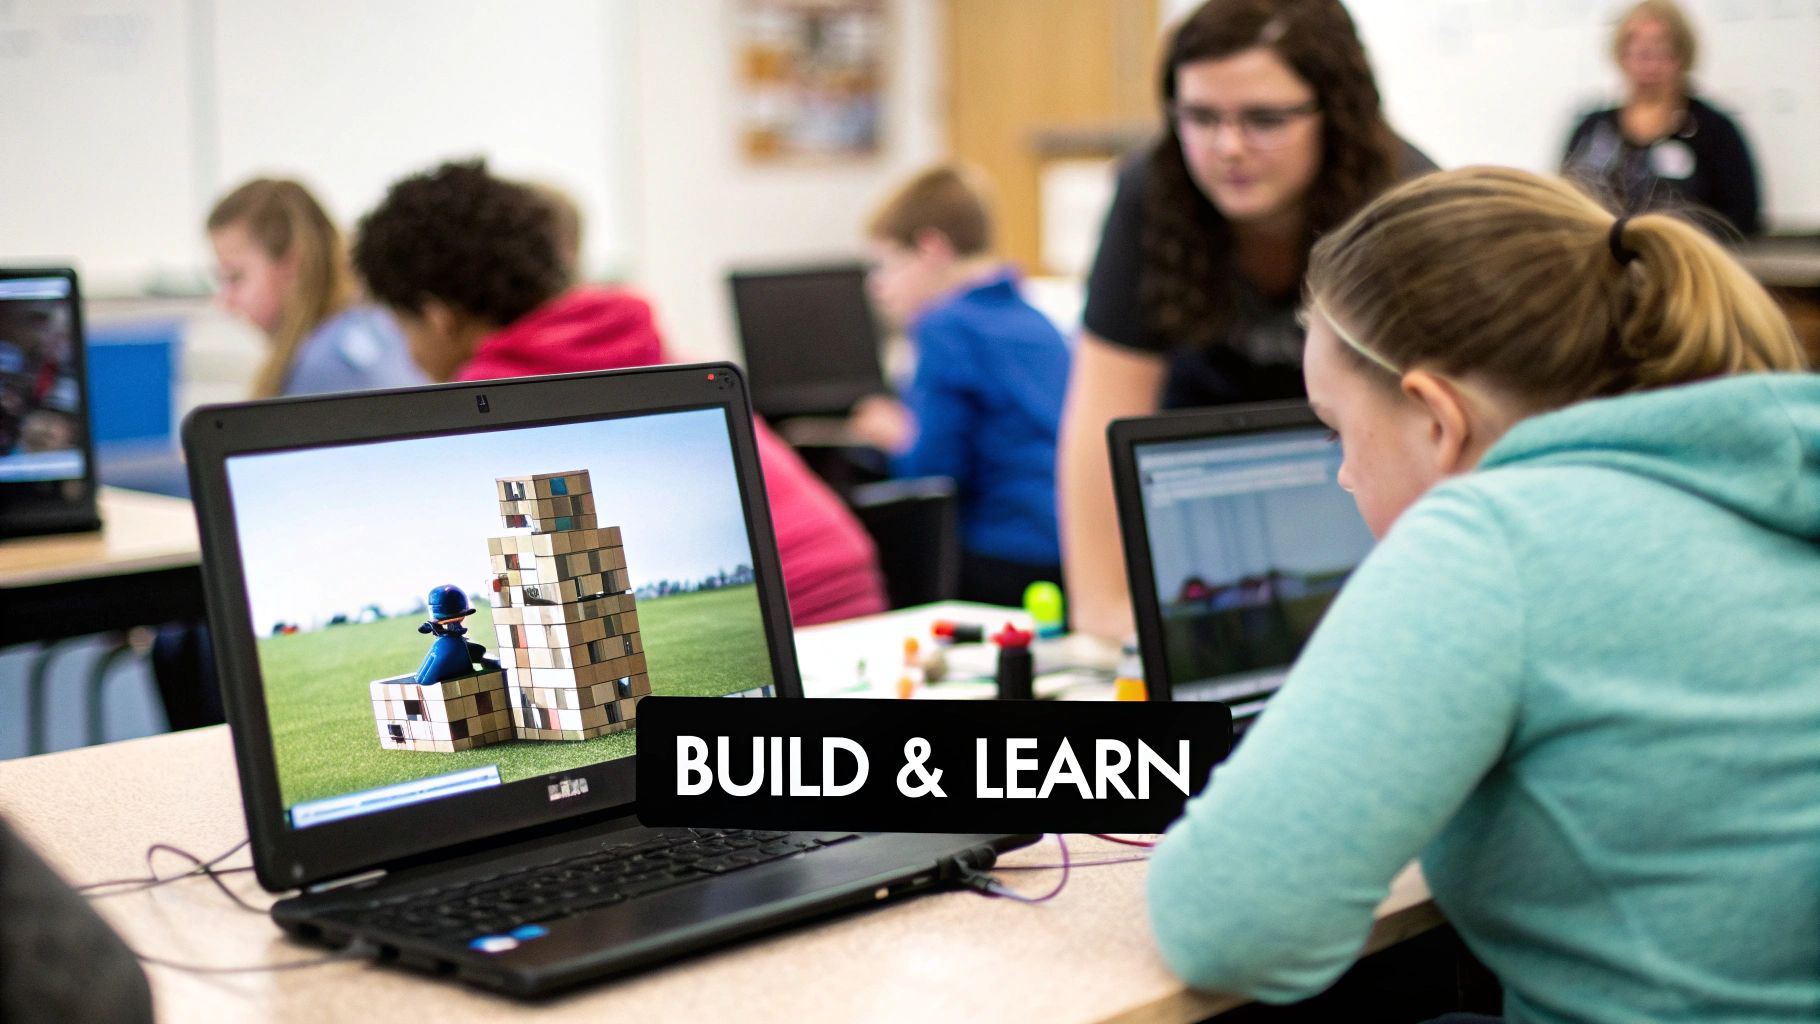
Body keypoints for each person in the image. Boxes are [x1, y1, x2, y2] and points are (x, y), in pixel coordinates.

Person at [1146, 166, 1817, 1022]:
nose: (1343, 472)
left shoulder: (1492, 536)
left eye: (1338, 432)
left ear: (1437, 418)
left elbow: (1230, 922)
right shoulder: (1769, 480)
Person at [351, 160, 887, 626]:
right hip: (852, 592)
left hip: (772, 624)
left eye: (402, 324)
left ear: (440, 318)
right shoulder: (629, 337)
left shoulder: (486, 406)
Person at [1057, 0, 1432, 639]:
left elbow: (1438, 433)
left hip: (1360, 486)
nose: (1228, 148)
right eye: (1200, 117)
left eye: (1264, 118)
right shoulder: (1154, 189)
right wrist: (1102, 614)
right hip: (1198, 494)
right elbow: (1102, 416)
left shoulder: (1406, 203)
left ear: (1333, 114)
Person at [848, 164, 1072, 607]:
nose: (877, 286)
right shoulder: (1037, 320)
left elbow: (933, 471)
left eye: (888, 264)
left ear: (931, 248)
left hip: (1003, 557)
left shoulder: (944, 326)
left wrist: (896, 434)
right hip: (1071, 551)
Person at [207, 178, 427, 399]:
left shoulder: (322, 367)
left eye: (234, 277)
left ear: (292, 262)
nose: (225, 301)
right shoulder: (375, 326)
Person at [1562, 0, 1761, 238]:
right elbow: (1563, 204)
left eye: (1659, 48)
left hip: (1685, 264)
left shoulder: (1714, 131)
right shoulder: (1592, 130)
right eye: (1636, 47)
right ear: (1621, 53)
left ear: (1681, 54)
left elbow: (1741, 218)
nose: (1646, 60)